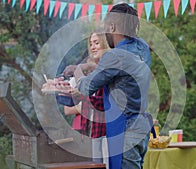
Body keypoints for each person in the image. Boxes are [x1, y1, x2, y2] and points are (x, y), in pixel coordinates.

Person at [73, 3, 152, 169]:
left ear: (113, 26)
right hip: (142, 126)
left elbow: (86, 87)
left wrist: (78, 69)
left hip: (125, 130)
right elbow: (122, 70)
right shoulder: (143, 47)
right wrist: (94, 67)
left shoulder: (115, 56)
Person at [63, 32, 109, 165]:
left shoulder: (108, 69)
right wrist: (65, 93)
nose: (93, 47)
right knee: (96, 164)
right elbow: (69, 107)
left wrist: (82, 96)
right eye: (91, 44)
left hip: (107, 129)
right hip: (93, 128)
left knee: (104, 164)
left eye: (97, 43)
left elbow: (106, 101)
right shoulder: (94, 71)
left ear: (105, 44)